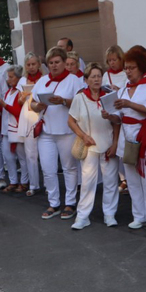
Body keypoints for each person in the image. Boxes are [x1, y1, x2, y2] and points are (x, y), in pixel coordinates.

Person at [105, 46, 146, 233]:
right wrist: (110, 115)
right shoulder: (123, 89)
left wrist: (129, 103)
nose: (128, 71)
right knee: (132, 180)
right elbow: (119, 116)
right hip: (127, 138)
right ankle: (139, 216)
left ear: (141, 68)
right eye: (126, 68)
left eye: (132, 68)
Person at [30, 47, 83, 220]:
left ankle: (70, 203)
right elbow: (32, 103)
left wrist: (63, 101)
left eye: (57, 62)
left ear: (64, 62)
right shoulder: (42, 80)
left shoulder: (74, 80)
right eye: (51, 63)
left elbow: (81, 104)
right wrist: (38, 106)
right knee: (48, 169)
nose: (54, 65)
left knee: (69, 168)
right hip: (46, 131)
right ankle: (53, 203)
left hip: (67, 131)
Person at [67, 63, 120, 229]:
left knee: (111, 181)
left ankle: (109, 214)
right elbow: (71, 121)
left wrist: (115, 143)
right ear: (86, 80)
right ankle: (83, 216)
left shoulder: (109, 97)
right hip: (89, 146)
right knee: (88, 182)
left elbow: (117, 122)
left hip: (108, 145)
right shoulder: (79, 98)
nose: (96, 79)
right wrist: (83, 136)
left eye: (99, 76)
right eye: (93, 76)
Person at [0, 66, 30, 193]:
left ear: (19, 78)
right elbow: (5, 110)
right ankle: (13, 181)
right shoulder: (8, 92)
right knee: (8, 157)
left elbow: (17, 111)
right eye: (8, 77)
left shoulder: (19, 92)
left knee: (22, 157)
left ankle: (24, 181)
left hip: (17, 128)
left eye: (11, 77)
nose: (8, 79)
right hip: (6, 128)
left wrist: (4, 104)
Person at [104, 45, 129, 194]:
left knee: (121, 145)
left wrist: (118, 90)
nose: (112, 63)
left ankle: (127, 178)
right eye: (109, 60)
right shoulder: (105, 75)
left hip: (122, 111)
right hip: (110, 110)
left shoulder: (126, 74)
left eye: (114, 60)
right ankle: (121, 177)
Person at [19, 53, 43, 197]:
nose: (31, 67)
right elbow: (19, 101)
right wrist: (23, 98)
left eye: (34, 64)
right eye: (28, 64)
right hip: (28, 117)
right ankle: (34, 184)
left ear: (38, 64)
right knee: (30, 154)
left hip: (41, 116)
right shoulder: (22, 80)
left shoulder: (44, 79)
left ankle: (49, 185)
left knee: (45, 154)